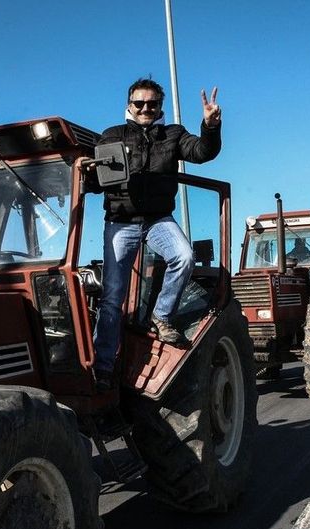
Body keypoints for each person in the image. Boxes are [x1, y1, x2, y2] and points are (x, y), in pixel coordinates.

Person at [89, 78, 222, 391]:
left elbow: (202, 151)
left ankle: (161, 316)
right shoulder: (112, 135)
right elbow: (97, 181)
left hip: (159, 219)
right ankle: (103, 367)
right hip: (121, 221)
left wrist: (210, 125)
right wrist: (87, 171)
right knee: (112, 297)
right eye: (140, 103)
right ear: (130, 105)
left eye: (152, 104)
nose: (146, 108)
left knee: (184, 255)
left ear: (160, 106)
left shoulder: (173, 134)